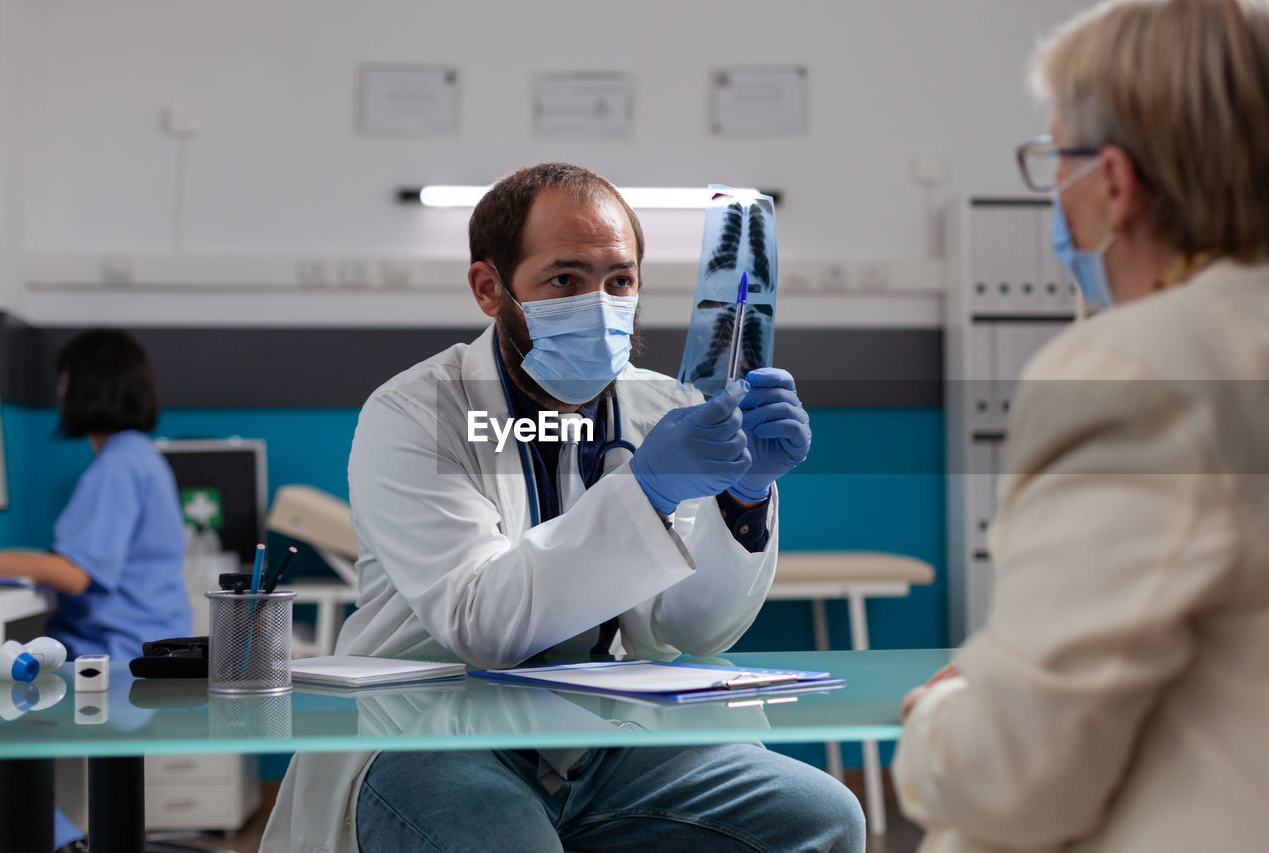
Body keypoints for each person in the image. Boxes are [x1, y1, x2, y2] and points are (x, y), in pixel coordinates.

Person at [262, 163, 865, 852]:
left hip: (604, 736)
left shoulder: (660, 406)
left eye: (620, 280)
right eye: (564, 280)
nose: (600, 303)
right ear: (490, 289)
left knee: (821, 816)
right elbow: (481, 623)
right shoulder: (415, 413)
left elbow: (691, 628)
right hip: (433, 732)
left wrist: (744, 494)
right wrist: (650, 490)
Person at [893, 1, 1269, 851]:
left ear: (1112, 181)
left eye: (1052, 158)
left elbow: (1014, 775)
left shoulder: (1139, 368)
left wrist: (943, 712)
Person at [0, 328, 192, 852]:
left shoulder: (119, 465)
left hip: (116, 657)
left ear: (88, 386)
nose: (61, 395)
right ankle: (67, 839)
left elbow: (76, 572)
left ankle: (60, 844)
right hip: (142, 646)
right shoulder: (139, 456)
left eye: (65, 382)